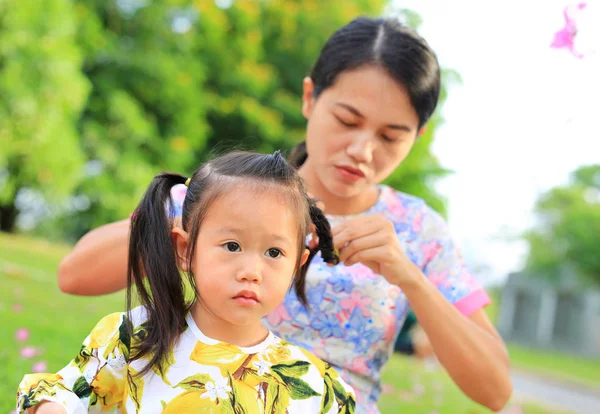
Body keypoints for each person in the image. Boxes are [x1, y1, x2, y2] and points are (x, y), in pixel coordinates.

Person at [57, 17, 512, 413]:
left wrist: (409, 275)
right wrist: (187, 205)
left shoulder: (418, 229)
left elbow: (495, 390)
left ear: (418, 135)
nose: (362, 150)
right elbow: (74, 276)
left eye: (392, 136)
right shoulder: (236, 196)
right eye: (347, 120)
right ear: (311, 97)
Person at [16, 151, 356, 413]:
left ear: (297, 265)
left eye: (274, 252)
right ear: (185, 249)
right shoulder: (137, 337)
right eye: (232, 246)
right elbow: (62, 390)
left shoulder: (315, 385)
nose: (252, 270)